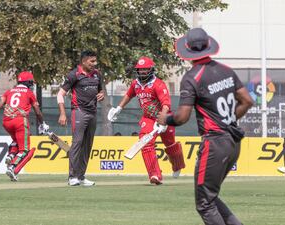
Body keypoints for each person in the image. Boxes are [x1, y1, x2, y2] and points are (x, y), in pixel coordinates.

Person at [157, 28, 253, 225]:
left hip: (215, 143)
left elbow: (182, 117)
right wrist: (228, 120)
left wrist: (165, 119)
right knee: (210, 197)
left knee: (204, 204)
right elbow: (247, 101)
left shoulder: (192, 77)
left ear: (188, 51)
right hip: (233, 141)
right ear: (209, 46)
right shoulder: (226, 70)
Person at [107, 56, 185, 185]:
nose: (142, 72)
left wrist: (163, 120)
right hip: (148, 118)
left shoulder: (158, 84)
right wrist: (118, 108)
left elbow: (166, 104)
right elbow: (128, 95)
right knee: (145, 143)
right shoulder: (135, 84)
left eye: (145, 69)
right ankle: (155, 175)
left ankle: (177, 165)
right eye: (140, 69)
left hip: (164, 117)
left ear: (151, 70)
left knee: (170, 144)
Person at [0, 71, 49, 181]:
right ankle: (12, 167)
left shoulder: (9, 91)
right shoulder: (29, 93)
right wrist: (43, 124)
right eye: (31, 82)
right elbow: (37, 111)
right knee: (24, 150)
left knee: (17, 140)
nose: (32, 85)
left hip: (6, 121)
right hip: (20, 121)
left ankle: (11, 155)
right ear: (28, 82)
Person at [57, 50, 105, 187]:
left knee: (87, 145)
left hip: (93, 113)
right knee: (77, 142)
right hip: (79, 112)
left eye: (95, 61)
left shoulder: (97, 75)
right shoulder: (74, 75)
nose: (94, 64)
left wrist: (101, 94)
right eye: (92, 61)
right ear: (84, 61)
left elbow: (100, 90)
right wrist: (62, 113)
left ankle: (81, 176)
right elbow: (60, 95)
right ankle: (72, 177)